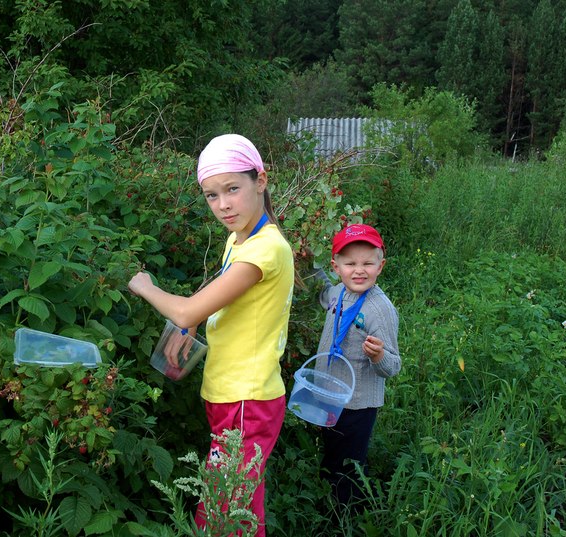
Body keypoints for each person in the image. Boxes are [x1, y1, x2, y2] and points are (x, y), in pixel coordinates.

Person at [128, 134, 295, 537]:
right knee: (240, 503)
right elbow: (220, 301)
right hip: (231, 395)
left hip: (247, 399)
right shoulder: (239, 240)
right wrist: (192, 325)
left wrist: (144, 286)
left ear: (261, 180)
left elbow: (187, 306)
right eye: (211, 195)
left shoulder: (265, 250)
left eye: (233, 189)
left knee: (223, 510)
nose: (223, 205)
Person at [313, 223, 401, 507]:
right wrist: (305, 263)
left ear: (381, 266)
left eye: (367, 263)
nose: (359, 270)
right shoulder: (338, 292)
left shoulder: (379, 309)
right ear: (336, 266)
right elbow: (322, 290)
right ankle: (329, 499)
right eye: (350, 263)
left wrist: (378, 356)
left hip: (358, 403)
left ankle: (347, 513)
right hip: (330, 395)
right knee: (332, 452)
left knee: (349, 464)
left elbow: (393, 366)